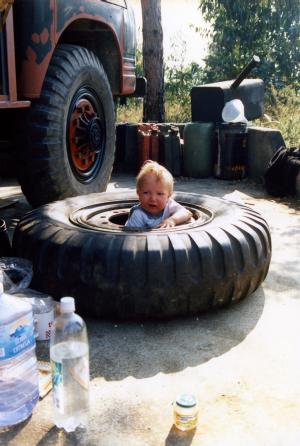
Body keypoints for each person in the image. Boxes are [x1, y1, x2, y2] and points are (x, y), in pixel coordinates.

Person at [125, 160, 193, 228]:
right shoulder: (138, 215)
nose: (153, 198)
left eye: (160, 194)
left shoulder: (169, 205)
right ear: (138, 194)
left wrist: (172, 220)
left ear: (168, 196)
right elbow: (132, 237)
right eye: (146, 193)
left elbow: (187, 213)